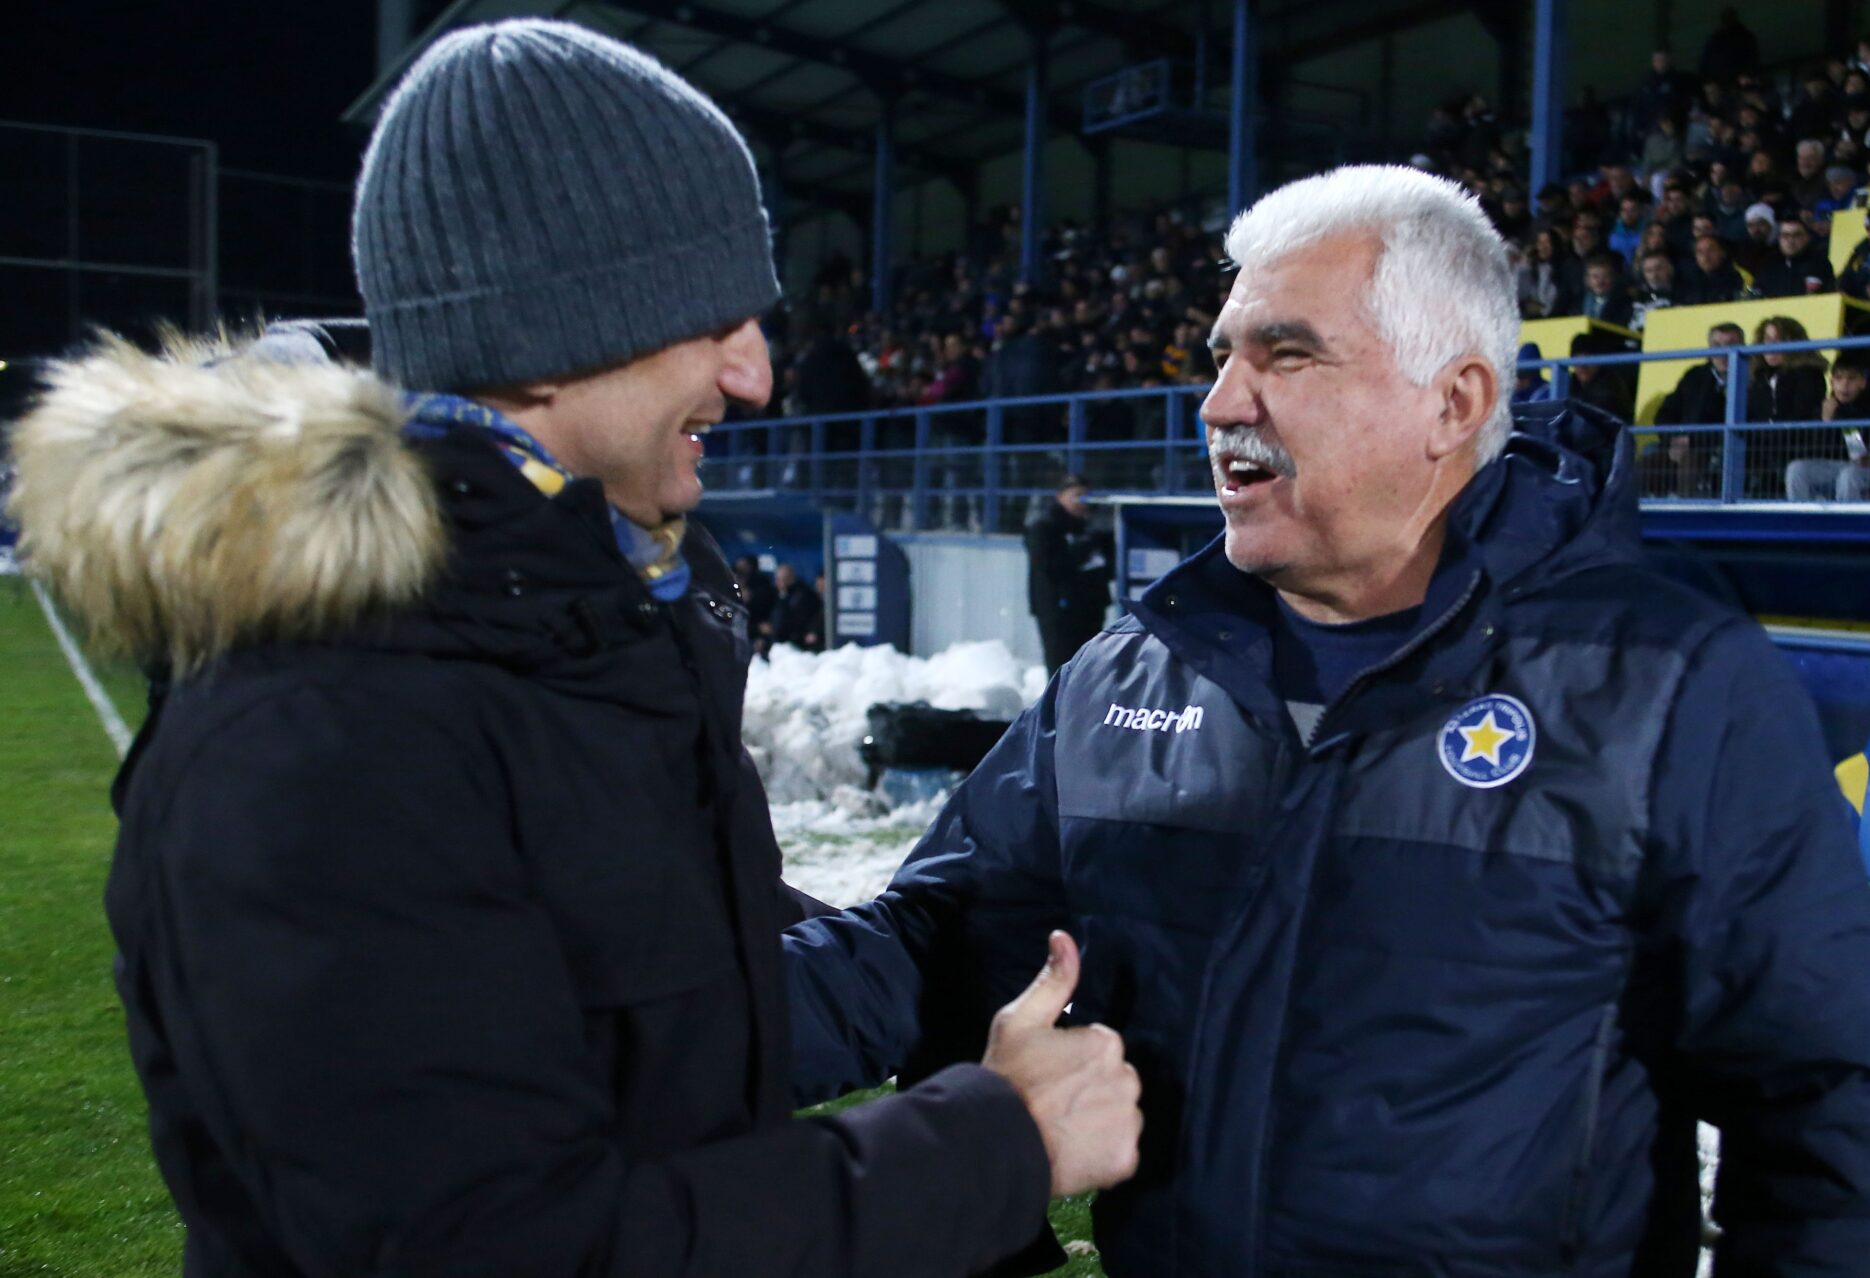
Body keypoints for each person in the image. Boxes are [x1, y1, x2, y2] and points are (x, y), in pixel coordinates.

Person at [4, 21, 1143, 1278]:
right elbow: (498, 1244)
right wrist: (995, 1146)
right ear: (560, 326)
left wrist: (950, 943)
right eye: (714, 318)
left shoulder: (591, 614)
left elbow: (677, 1021)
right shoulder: (322, 719)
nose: (757, 374)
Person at [783, 165, 1870, 1276]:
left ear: (1454, 402)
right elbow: (933, 945)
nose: (1222, 404)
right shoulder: (1137, 671)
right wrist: (696, 1018)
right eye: (1223, 356)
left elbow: (1827, 1108)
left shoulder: (1671, 683)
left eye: (1287, 354)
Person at [1023, 474, 1111, 671]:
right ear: (1060, 497)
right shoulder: (1044, 527)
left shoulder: (1094, 528)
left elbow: (1110, 566)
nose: (1082, 502)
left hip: (1091, 607)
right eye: (1076, 495)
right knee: (1061, 665)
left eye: (1086, 496)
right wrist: (1082, 550)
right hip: (1058, 609)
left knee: (1089, 666)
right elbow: (1047, 564)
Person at [1645, 322, 1742, 498]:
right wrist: (1673, 439)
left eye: (1730, 345)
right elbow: (1665, 413)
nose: (1723, 352)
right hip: (1682, 446)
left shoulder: (1749, 377)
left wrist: (1691, 441)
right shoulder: (1694, 376)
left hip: (1718, 448)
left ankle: (1683, 511)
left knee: (1690, 461)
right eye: (1717, 345)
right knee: (1642, 466)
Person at [1785, 356, 1870, 499]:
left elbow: (1865, 452)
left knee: (1848, 476)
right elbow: (1813, 449)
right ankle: (1800, 513)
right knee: (1796, 469)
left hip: (1869, 468)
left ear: (1862, 382)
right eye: (1839, 378)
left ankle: (1846, 515)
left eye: (1851, 379)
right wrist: (1825, 422)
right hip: (1833, 466)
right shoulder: (1824, 408)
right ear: (1832, 382)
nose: (1844, 385)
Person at [1755, 213, 1837, 296]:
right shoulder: (1768, 269)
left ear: (1807, 238)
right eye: (1785, 235)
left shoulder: (1821, 265)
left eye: (1797, 235)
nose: (1791, 240)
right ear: (1779, 239)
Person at [769, 562, 825, 652]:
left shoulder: (803, 595)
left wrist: (811, 632)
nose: (780, 583)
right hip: (780, 643)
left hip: (798, 643)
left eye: (784, 579)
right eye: (778, 579)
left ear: (792, 579)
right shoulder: (775, 594)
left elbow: (804, 620)